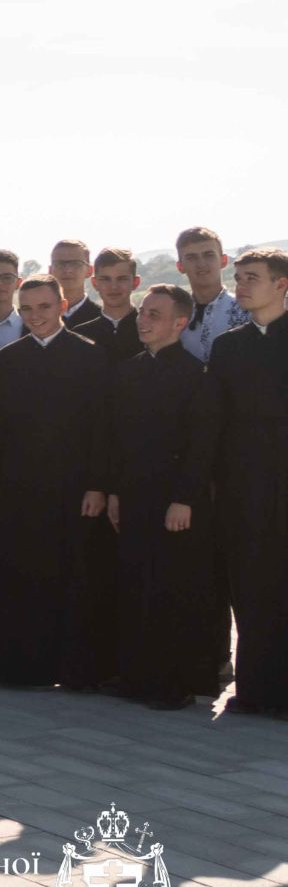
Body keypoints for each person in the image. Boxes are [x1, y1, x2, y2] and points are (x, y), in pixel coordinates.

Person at [0, 278, 110, 687]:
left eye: (45, 307)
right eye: (28, 308)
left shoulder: (90, 356)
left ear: (63, 306)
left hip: (73, 486)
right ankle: (20, 667)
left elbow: (102, 428)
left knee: (73, 576)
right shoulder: (9, 359)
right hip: (20, 485)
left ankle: (73, 669)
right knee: (20, 575)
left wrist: (97, 484)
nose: (36, 316)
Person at [106, 283, 219, 711]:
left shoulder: (196, 375)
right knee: (135, 583)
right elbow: (116, 439)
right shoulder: (127, 372)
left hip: (176, 500)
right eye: (143, 312)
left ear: (179, 322)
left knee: (174, 588)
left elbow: (201, 445)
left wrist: (185, 498)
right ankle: (136, 677)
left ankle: (175, 683)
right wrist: (114, 491)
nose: (143, 320)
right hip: (133, 496)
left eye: (155, 314)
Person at [193, 247, 288, 716]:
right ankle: (254, 690)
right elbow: (213, 421)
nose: (242, 285)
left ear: (281, 284)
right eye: (240, 277)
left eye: (253, 277)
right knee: (249, 588)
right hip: (243, 487)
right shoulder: (229, 346)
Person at [176, 225, 247, 361]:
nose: (201, 264)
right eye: (191, 257)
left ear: (223, 260)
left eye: (208, 255)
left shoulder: (246, 311)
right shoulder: (173, 315)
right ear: (180, 266)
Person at [73, 247, 142, 365]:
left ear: (135, 282)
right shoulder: (79, 335)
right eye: (105, 279)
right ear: (95, 283)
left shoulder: (150, 330)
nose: (114, 287)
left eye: (122, 279)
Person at [47, 240, 100, 329]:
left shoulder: (102, 318)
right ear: (50, 271)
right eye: (60, 264)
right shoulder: (35, 319)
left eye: (76, 264)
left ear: (90, 271)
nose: (68, 270)